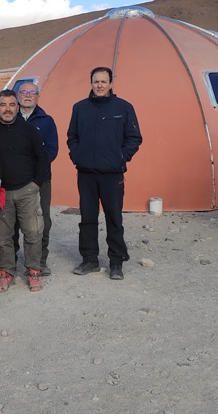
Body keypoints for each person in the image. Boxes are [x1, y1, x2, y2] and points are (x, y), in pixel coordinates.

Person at [67, 66, 142, 280]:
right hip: (86, 174)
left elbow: (134, 138)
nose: (99, 85)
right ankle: (89, 259)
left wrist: (120, 157)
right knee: (87, 217)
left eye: (103, 81)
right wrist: (77, 157)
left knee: (114, 217)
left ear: (110, 83)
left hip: (112, 174)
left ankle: (116, 262)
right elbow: (72, 136)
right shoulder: (80, 108)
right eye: (95, 81)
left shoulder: (124, 107)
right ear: (90, 83)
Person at [0, 89, 47, 293]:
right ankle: (6, 271)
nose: (8, 109)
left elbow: (42, 157)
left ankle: (33, 270)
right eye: (3, 105)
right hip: (0, 192)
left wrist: (36, 183)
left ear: (17, 107)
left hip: (27, 189)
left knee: (33, 231)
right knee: (2, 235)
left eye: (12, 105)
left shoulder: (29, 130)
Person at [13, 80, 59, 276]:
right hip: (14, 179)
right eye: (24, 92)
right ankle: (9, 262)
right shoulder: (9, 119)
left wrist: (35, 174)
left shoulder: (46, 121)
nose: (28, 95)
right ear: (17, 96)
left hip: (40, 180)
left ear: (38, 97)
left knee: (42, 220)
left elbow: (51, 151)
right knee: (11, 221)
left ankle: (40, 260)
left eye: (32, 92)